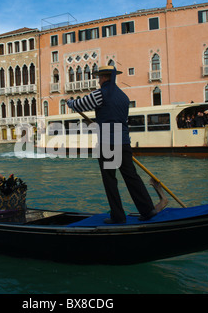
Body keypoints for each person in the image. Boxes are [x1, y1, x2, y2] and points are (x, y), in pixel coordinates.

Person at [67, 65, 157, 224]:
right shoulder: (123, 97)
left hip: (108, 142)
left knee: (110, 180)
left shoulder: (100, 94)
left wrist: (70, 102)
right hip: (123, 141)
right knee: (131, 177)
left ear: (104, 77)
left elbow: (80, 105)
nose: (98, 80)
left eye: (99, 77)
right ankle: (147, 209)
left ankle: (118, 216)